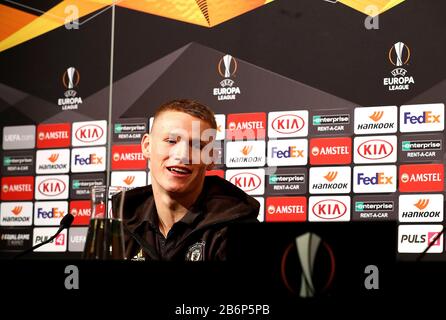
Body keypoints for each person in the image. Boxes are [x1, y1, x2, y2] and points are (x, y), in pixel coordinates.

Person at [112, 99, 260, 261]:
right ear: (147, 146)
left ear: (211, 158)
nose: (182, 154)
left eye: (197, 145)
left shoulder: (238, 231)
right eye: (171, 141)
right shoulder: (120, 223)